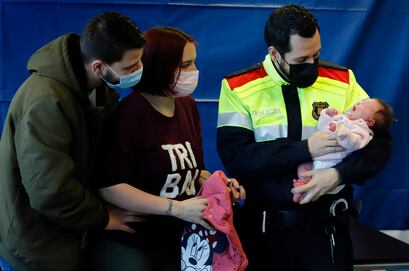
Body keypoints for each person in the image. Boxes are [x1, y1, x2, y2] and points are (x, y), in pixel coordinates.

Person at [216, 4, 392, 271]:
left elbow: (379, 144)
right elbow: (238, 159)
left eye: (317, 55)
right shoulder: (239, 88)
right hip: (265, 234)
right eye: (301, 60)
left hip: (326, 233)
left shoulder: (342, 79)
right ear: (274, 53)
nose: (312, 66)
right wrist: (306, 148)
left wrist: (338, 175)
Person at [88, 27, 246, 271]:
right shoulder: (131, 113)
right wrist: (175, 208)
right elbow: (110, 186)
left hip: (179, 236)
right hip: (136, 239)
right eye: (186, 64)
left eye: (194, 63)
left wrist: (219, 185)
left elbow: (194, 172)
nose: (194, 72)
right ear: (160, 66)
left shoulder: (187, 105)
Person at [0, 12, 146, 271]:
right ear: (99, 67)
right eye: (130, 67)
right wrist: (102, 218)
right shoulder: (46, 101)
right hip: (38, 246)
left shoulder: (97, 90)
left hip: (72, 232)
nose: (138, 71)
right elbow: (50, 191)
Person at [293, 98, 393, 202]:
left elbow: (354, 143)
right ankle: (302, 186)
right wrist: (326, 116)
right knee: (302, 167)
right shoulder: (344, 118)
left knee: (317, 181)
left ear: (369, 121)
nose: (359, 102)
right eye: (362, 101)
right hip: (316, 154)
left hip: (329, 161)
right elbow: (322, 127)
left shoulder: (362, 131)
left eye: (365, 105)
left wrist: (342, 132)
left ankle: (303, 191)